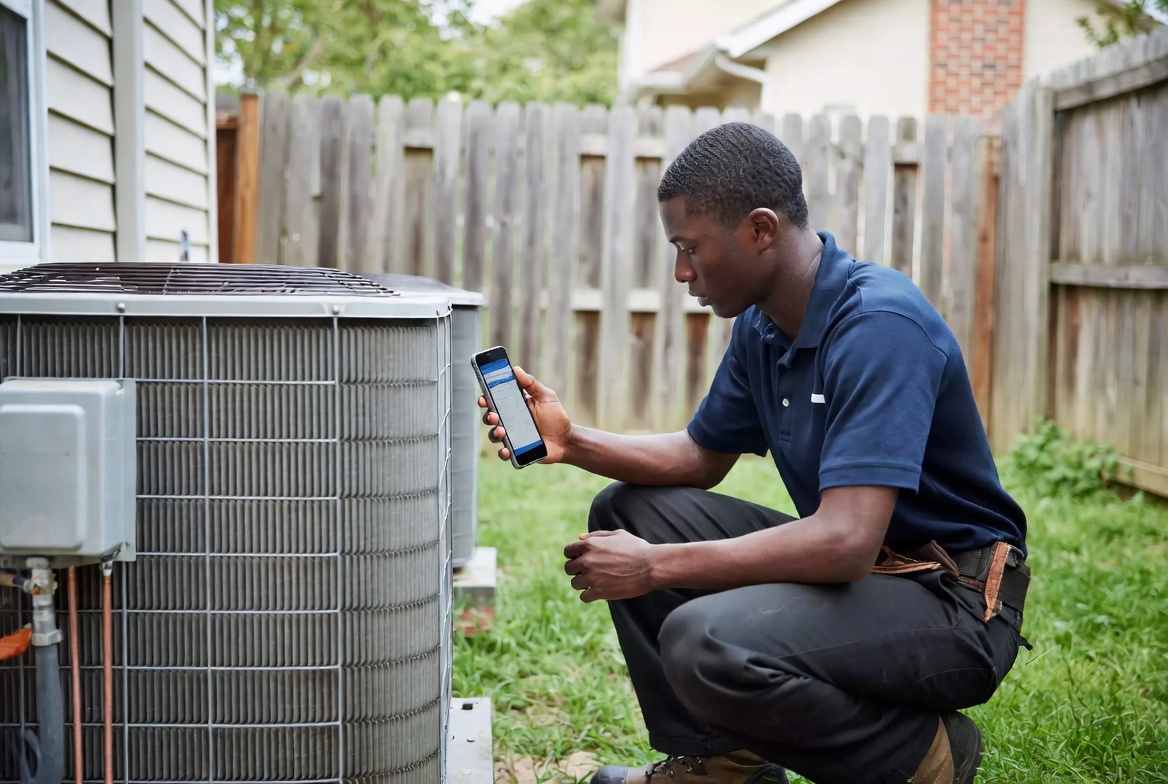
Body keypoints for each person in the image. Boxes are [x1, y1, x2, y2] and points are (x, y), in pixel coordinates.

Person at [477, 122, 1031, 784]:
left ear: (761, 230)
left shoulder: (880, 327)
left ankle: (925, 757)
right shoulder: (764, 327)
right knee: (629, 511)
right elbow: (698, 457)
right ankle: (724, 768)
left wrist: (656, 567)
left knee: (704, 639)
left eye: (690, 248)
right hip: (871, 573)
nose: (682, 271)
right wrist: (571, 442)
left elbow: (847, 542)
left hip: (953, 600)